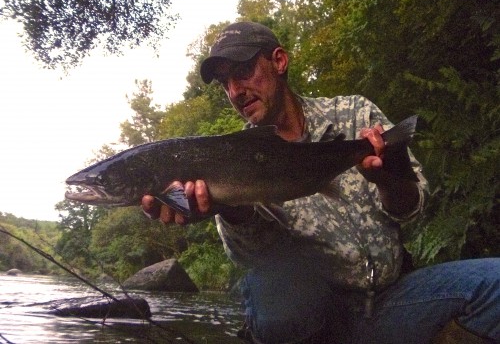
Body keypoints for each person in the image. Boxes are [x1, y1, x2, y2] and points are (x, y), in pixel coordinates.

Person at [142, 22, 500, 344]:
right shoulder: (235, 158)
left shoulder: (354, 113)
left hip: (393, 301)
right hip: (315, 321)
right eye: (225, 83)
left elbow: (415, 209)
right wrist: (230, 212)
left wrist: (390, 180)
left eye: (244, 72)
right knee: (268, 290)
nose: (236, 91)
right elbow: (257, 258)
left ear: (279, 61)